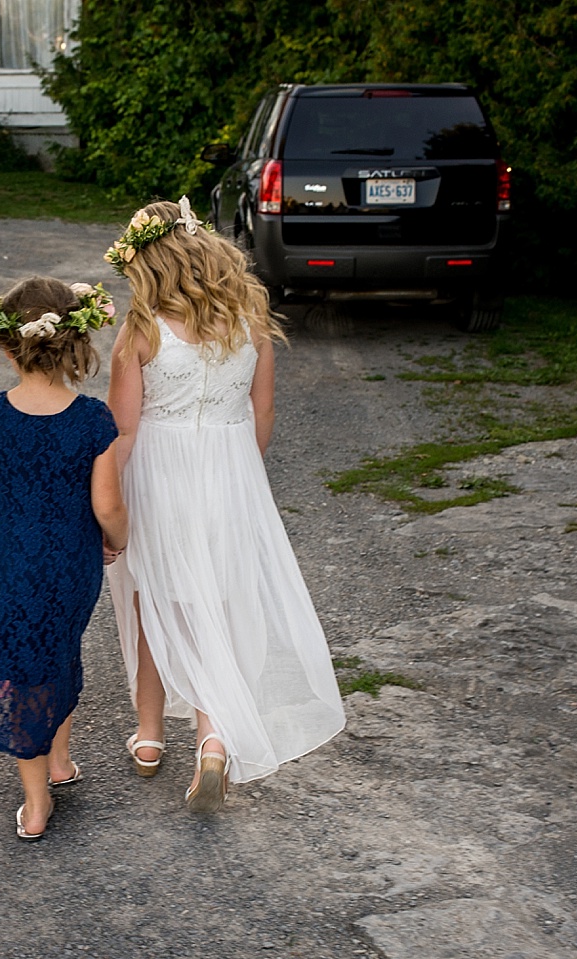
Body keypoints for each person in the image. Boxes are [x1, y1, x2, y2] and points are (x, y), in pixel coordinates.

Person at [103, 197, 345, 812]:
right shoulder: (251, 321)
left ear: (147, 264)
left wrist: (104, 502)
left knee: (153, 598)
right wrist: (241, 474)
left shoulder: (142, 332)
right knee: (215, 601)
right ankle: (211, 740)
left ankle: (151, 735)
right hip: (231, 476)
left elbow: (121, 433)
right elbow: (262, 414)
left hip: (160, 479)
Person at [0, 278, 127, 840]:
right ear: (73, 342)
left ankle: (37, 805)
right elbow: (106, 505)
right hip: (71, 563)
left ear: (7, 347)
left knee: (22, 663)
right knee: (56, 650)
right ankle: (59, 763)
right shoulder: (92, 418)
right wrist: (120, 540)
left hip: (14, 561)